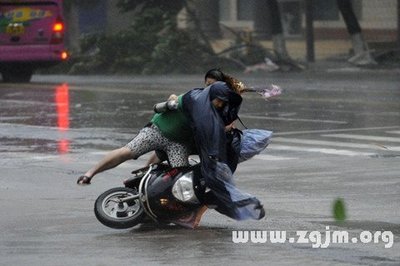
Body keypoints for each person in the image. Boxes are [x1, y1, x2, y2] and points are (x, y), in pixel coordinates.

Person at [77, 69, 244, 185]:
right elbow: (174, 98)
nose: (209, 90)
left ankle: (157, 199)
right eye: (207, 85)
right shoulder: (193, 96)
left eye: (213, 87)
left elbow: (216, 131)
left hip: (179, 144)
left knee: (180, 176)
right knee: (128, 152)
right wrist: (171, 101)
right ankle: (89, 174)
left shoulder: (222, 110)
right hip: (157, 131)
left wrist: (226, 129)